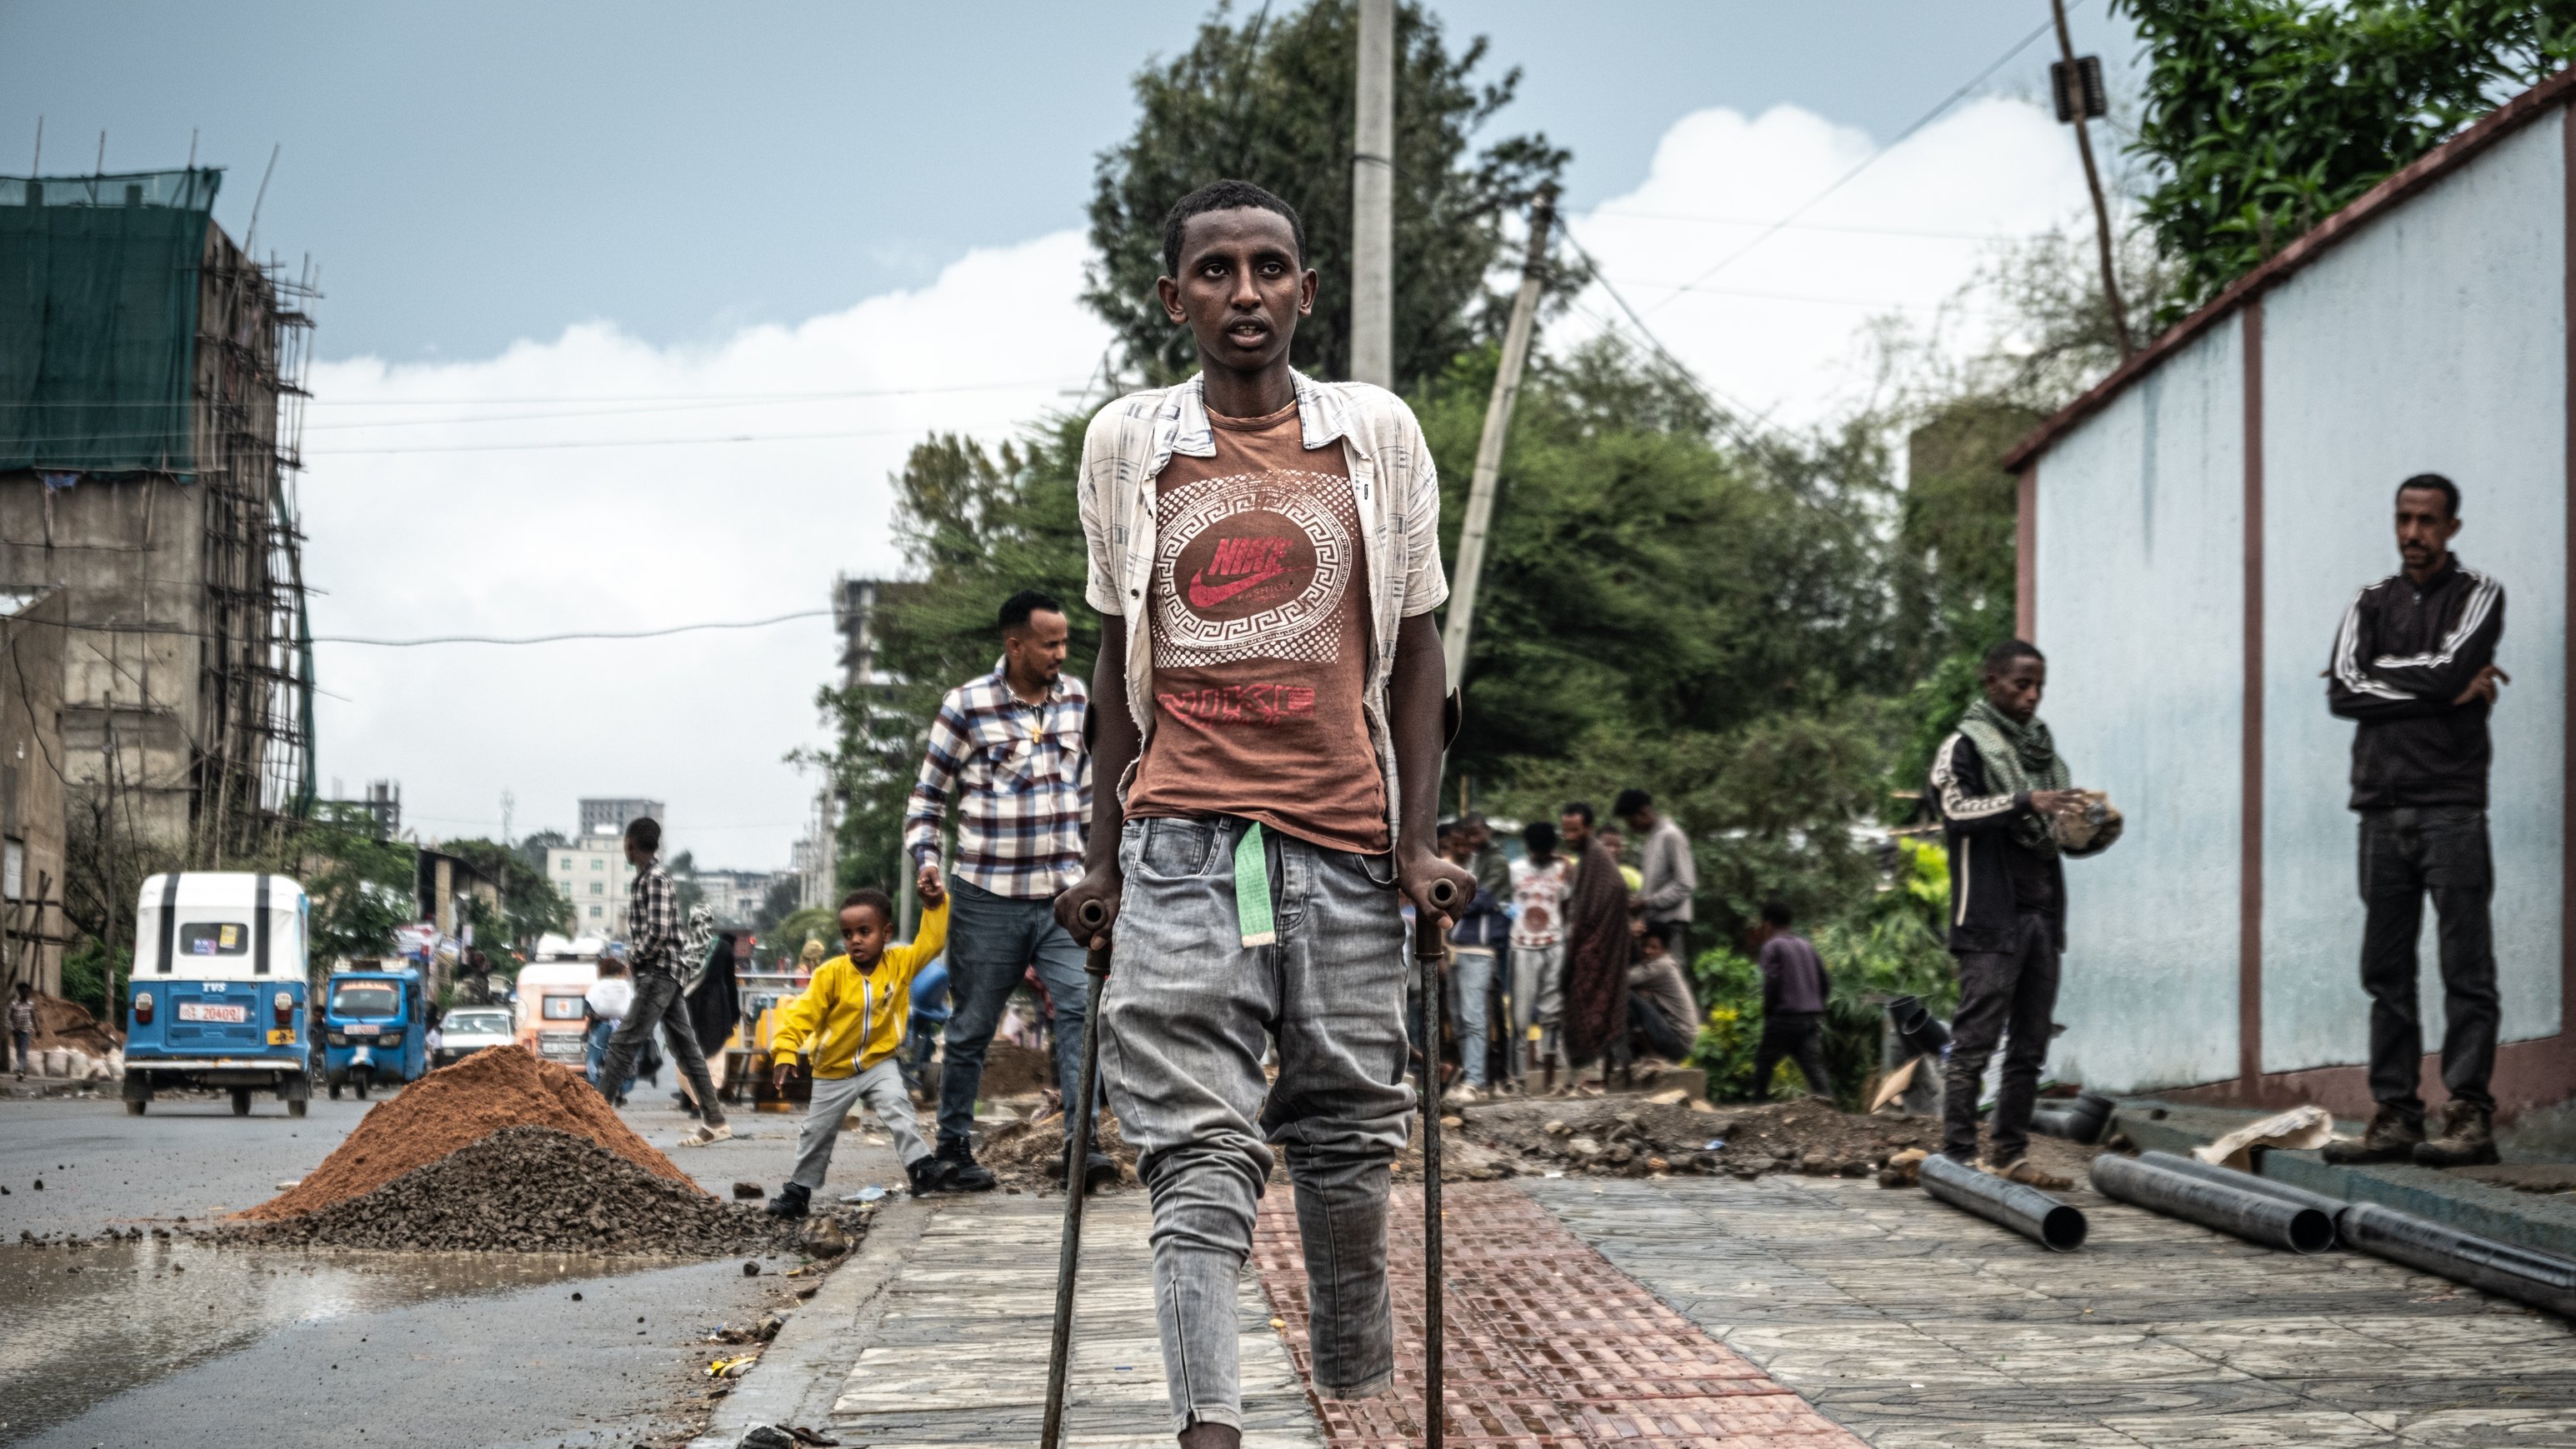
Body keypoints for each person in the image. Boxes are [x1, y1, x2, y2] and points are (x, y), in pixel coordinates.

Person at [1053, 178, 1474, 1449]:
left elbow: (1413, 649)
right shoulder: (1128, 443)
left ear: (1304, 286)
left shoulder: (1376, 434)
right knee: (1194, 1146)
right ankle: (1210, 1422)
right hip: (1181, 844)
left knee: (1346, 1131)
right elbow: (1116, 663)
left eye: (1269, 268)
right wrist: (1100, 855)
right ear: (1173, 294)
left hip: (1343, 843)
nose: (1245, 293)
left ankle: (1352, 1372)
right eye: (1217, 270)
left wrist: (1415, 841)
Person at [2323, 472, 2510, 1169]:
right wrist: (2441, 691)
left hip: (2451, 806)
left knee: (2466, 965)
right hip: (2377, 808)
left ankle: (2467, 1115)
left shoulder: (2478, 594)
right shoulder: (2368, 601)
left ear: (2450, 527)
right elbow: (2342, 690)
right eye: (2403, 519)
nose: (2412, 534)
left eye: (2427, 521)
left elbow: (2446, 662)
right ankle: (2396, 1114)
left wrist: (2402, 679)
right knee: (2384, 969)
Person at [906, 588, 1100, 1192]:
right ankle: (954, 1148)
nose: (1060, 654)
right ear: (1013, 644)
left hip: (1063, 897)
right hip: (987, 895)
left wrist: (1102, 871)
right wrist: (926, 858)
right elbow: (926, 798)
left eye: (1065, 642)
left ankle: (1081, 1141)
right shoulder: (965, 706)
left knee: (1079, 1009)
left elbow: (1090, 797)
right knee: (971, 1024)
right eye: (1049, 643)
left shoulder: (1075, 700)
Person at [1928, 637, 2120, 1186]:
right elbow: (1953, 809)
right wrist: (2022, 801)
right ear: (1990, 681)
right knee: (1973, 1042)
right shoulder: (1963, 745)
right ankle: (1958, 1155)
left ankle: (2010, 1154)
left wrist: (2091, 828)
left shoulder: (2040, 753)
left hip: (2041, 916)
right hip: (1990, 919)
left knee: (2029, 1046)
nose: (2032, 696)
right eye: (2020, 684)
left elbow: (2056, 835)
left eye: (2038, 685)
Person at [765, 882, 960, 1215]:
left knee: (897, 1105)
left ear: (886, 933)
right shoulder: (831, 974)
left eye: (864, 931)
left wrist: (935, 905)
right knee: (818, 1132)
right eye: (847, 933)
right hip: (833, 1070)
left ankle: (921, 1167)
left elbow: (932, 941)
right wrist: (785, 1050)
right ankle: (798, 1192)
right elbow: (802, 1014)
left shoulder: (901, 963)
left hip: (878, 1062)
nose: (855, 940)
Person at [593, 817, 732, 1147]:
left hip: (658, 973)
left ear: (630, 843)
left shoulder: (653, 879)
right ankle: (715, 1121)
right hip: (663, 973)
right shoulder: (647, 879)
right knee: (686, 1049)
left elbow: (658, 930)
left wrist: (634, 957)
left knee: (623, 1043)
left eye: (625, 843)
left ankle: (596, 1122)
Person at [1557, 800, 1633, 1081]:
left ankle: (1603, 1071)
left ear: (1588, 827)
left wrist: (1588, 940)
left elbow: (1614, 891)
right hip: (1590, 944)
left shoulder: (1599, 858)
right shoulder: (1587, 858)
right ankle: (1601, 1070)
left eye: (1575, 830)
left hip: (1599, 946)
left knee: (1596, 1003)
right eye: (1566, 831)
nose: (1570, 836)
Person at [1443, 822, 1512, 1103]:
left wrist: (1451, 900)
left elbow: (1480, 900)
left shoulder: (1490, 864)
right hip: (1455, 948)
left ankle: (1475, 1081)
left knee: (1473, 1018)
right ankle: (1472, 1076)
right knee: (1460, 1019)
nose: (1465, 845)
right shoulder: (1460, 864)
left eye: (1469, 839)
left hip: (1479, 951)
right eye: (1460, 840)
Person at [1748, 900, 1832, 1100]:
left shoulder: (1772, 946)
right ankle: (1832, 1117)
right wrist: (1815, 1004)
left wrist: (1769, 1010)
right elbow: (1825, 982)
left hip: (1784, 1016)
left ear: (1767, 925)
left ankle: (1757, 1113)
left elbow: (1772, 982)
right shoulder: (1806, 946)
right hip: (1811, 1018)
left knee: (1764, 1064)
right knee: (1815, 1070)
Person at [1508, 821, 1571, 1084]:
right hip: (1523, 946)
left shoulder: (1561, 870)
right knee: (1521, 1016)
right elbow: (1504, 903)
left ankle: (1551, 1075)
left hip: (1555, 944)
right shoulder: (1515, 870)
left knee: (1552, 1012)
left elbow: (1567, 903)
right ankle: (1519, 1077)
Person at [1616, 788, 1696, 961]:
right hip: (1653, 925)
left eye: (1631, 821)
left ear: (1644, 812)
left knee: (1671, 979)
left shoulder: (1671, 836)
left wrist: (1647, 903)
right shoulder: (1652, 838)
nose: (1631, 827)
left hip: (1670, 926)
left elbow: (1685, 885)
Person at [1625, 930, 1698, 1067]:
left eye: (1654, 947)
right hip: (1677, 1040)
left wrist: (1628, 937)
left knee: (1626, 996)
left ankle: (1652, 1056)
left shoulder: (1662, 966)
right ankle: (1644, 1054)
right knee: (1636, 1002)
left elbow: (1621, 980)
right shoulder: (1663, 965)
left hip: (1677, 1041)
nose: (1647, 951)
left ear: (1665, 950)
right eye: (1645, 946)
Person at [584, 956, 638, 1103]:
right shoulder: (626, 987)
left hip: (602, 1025)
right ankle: (619, 1092)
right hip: (622, 1027)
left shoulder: (598, 987)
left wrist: (587, 1028)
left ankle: (596, 1090)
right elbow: (633, 1008)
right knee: (620, 1060)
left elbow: (588, 1009)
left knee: (594, 1059)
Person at [10, 980, 36, 1079]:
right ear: (20, 992)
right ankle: (23, 1071)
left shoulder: (30, 1004)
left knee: (23, 1051)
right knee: (18, 1051)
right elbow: (9, 1017)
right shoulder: (14, 1004)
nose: (27, 994)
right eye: (25, 991)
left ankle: (20, 1071)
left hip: (26, 1032)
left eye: (28, 992)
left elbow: (34, 1017)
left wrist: (38, 1029)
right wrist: (12, 1027)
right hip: (16, 1031)